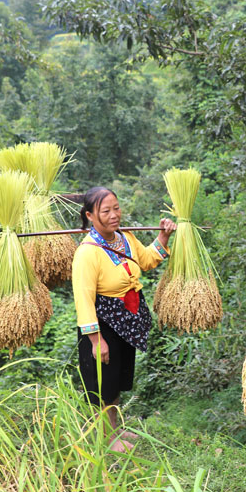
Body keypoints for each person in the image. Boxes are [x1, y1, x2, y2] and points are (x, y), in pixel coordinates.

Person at [72, 186, 176, 452]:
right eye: (105, 211)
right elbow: (83, 299)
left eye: (116, 208)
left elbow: (148, 260)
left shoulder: (126, 238)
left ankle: (115, 430)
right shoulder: (88, 252)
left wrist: (163, 236)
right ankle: (106, 438)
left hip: (126, 320)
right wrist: (96, 340)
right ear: (90, 216)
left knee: (116, 379)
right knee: (103, 381)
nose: (114, 215)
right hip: (104, 321)